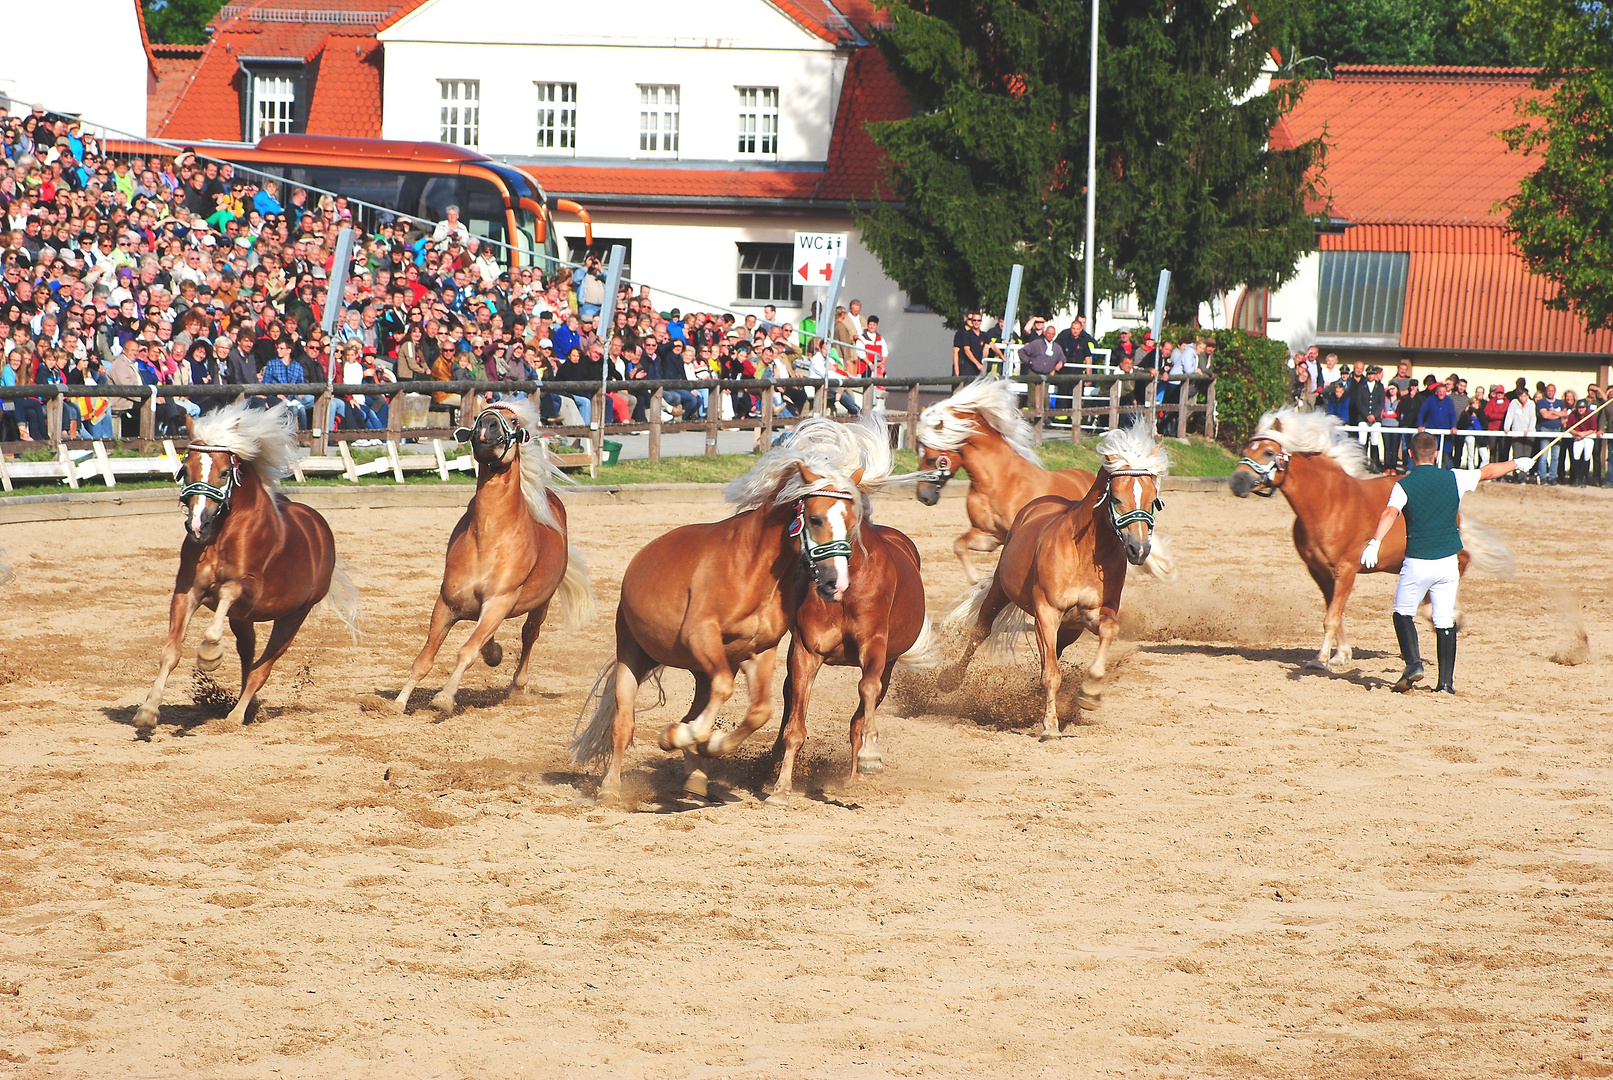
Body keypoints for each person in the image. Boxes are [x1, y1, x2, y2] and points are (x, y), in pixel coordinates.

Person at [1361, 431, 1535, 694]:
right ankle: (1446, 684)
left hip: (1417, 563)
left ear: (1410, 455)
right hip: (1447, 564)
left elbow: (1390, 512)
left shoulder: (1403, 485)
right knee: (1444, 621)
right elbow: (1487, 472)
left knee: (1402, 613)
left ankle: (1413, 664)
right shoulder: (1454, 477)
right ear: (1436, 454)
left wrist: (1375, 542)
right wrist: (1517, 463)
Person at [951, 312, 985, 378]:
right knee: (960, 387)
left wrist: (986, 344)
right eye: (971, 319)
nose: (973, 322)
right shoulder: (960, 333)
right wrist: (956, 368)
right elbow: (955, 351)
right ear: (966, 318)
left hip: (974, 369)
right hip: (962, 366)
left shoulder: (977, 334)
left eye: (976, 320)